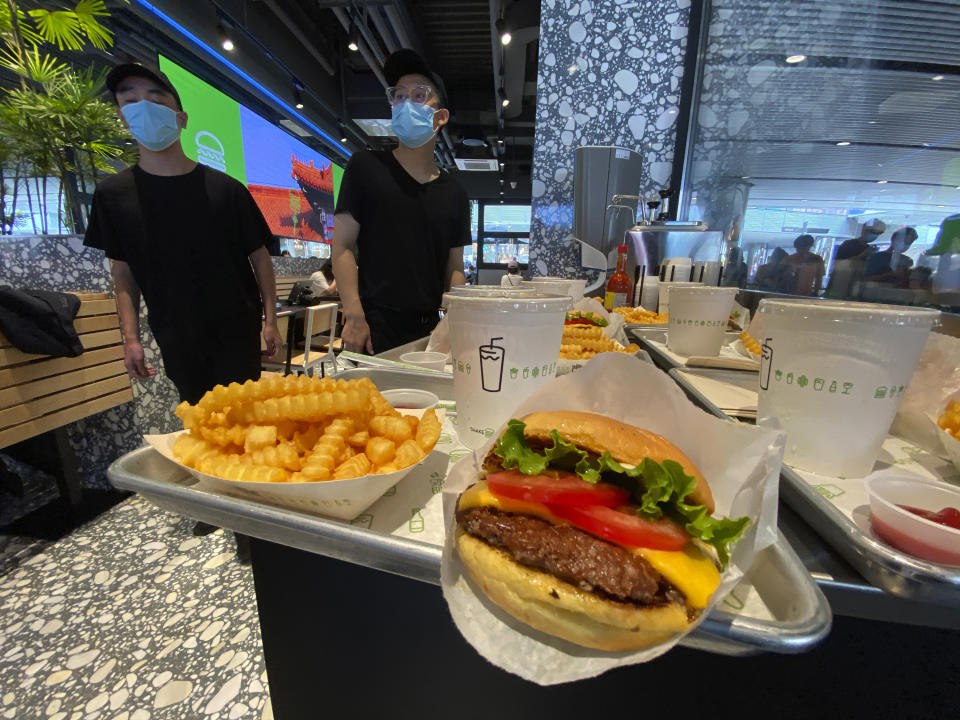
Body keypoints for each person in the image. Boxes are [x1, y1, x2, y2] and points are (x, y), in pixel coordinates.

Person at [83, 63, 281, 405]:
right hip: (175, 331)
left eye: (155, 99)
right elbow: (122, 273)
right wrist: (131, 338)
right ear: (122, 117)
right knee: (198, 416)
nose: (143, 107)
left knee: (246, 414)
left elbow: (260, 257)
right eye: (130, 101)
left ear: (181, 117)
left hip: (236, 327)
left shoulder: (226, 190)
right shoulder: (112, 195)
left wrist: (270, 320)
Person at [331, 49, 469, 353]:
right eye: (399, 96)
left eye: (419, 95)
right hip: (373, 325)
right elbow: (341, 246)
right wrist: (354, 314)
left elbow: (454, 267)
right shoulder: (365, 167)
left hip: (430, 329)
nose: (407, 103)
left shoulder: (455, 194)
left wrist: (456, 317)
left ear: (441, 116)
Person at [827, 218, 886, 299]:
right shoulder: (848, 244)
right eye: (872, 232)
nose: (874, 235)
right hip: (841, 284)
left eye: (877, 233)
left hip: (856, 287)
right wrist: (862, 255)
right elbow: (839, 264)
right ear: (863, 230)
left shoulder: (870, 249)